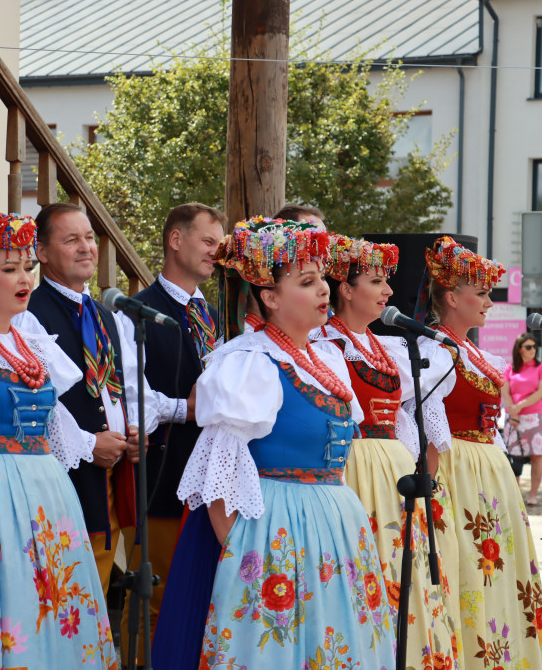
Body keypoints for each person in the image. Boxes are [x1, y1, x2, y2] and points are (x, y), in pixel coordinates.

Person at [158, 217, 395, 669]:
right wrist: (245, 559)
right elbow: (220, 481)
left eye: (323, 277)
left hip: (332, 524)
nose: (324, 289)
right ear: (269, 297)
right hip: (274, 530)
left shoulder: (326, 357)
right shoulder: (250, 363)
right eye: (307, 281)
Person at [0, 208, 117, 669]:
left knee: (56, 606)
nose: (23, 279)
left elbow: (59, 430)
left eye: (27, 267)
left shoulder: (35, 345)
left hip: (47, 493)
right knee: (6, 604)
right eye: (8, 269)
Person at [312, 234, 461, 669]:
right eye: (377, 282)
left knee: (404, 572)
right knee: (367, 573)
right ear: (345, 288)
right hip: (353, 468)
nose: (388, 291)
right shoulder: (325, 344)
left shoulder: (386, 347)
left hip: (392, 469)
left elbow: (407, 416)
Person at [414, 236, 542, 668]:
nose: (489, 301)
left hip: (489, 469)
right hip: (458, 471)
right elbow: (430, 435)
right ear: (452, 297)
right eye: (482, 293)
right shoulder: (434, 352)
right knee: (468, 568)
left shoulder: (471, 351)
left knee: (497, 569)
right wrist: (428, 494)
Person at [18, 202, 141, 593]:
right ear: (41, 252)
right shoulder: (30, 315)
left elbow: (113, 385)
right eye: (71, 240)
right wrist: (89, 445)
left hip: (113, 470)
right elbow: (38, 399)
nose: (86, 247)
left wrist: (131, 429)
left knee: (100, 591)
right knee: (71, 591)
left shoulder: (105, 315)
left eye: (89, 237)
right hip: (67, 474)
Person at [118, 203, 222, 663]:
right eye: (208, 241)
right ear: (175, 240)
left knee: (205, 594)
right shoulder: (136, 313)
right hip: (162, 474)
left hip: (213, 480)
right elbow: (131, 397)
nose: (215, 253)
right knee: (153, 594)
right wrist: (188, 409)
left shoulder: (215, 315)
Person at [502, 332, 542, 504]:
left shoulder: (540, 367)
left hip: (535, 418)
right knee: (514, 457)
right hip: (514, 418)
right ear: (519, 349)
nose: (533, 349)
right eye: (528, 347)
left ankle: (533, 495)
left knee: (537, 457)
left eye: (534, 346)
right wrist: (514, 412)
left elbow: (540, 392)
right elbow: (505, 391)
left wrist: (519, 406)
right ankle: (515, 496)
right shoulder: (510, 368)